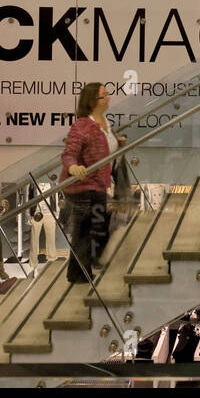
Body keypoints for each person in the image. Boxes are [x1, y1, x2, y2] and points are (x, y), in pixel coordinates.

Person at [60, 82, 126, 283]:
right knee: (86, 230)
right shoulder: (82, 125)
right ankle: (82, 274)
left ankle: (77, 272)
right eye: (103, 96)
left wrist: (117, 141)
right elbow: (69, 152)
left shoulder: (104, 121)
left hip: (96, 184)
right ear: (91, 102)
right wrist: (73, 168)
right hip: (80, 186)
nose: (108, 98)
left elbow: (104, 143)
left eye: (107, 94)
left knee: (88, 229)